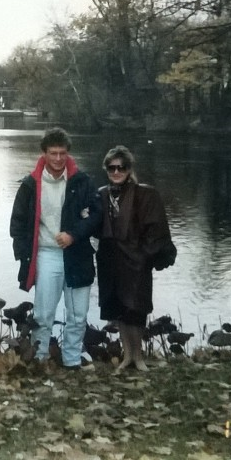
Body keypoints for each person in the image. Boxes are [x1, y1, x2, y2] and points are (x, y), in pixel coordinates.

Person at [10, 128, 102, 368]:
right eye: (53, 153)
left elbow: (96, 216)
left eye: (63, 153)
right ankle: (39, 359)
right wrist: (23, 255)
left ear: (68, 153)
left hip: (78, 253)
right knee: (42, 314)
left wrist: (74, 234)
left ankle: (71, 360)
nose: (59, 159)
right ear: (44, 153)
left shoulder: (81, 182)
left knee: (78, 314)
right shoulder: (30, 185)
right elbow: (17, 223)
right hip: (47, 254)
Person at [96, 145, 174, 372]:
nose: (117, 171)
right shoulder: (101, 194)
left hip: (136, 261)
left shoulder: (145, 194)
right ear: (106, 169)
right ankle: (127, 355)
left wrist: (144, 256)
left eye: (122, 167)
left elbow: (157, 229)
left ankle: (138, 356)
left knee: (136, 309)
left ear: (129, 169)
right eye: (112, 167)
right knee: (118, 309)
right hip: (110, 260)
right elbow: (92, 226)